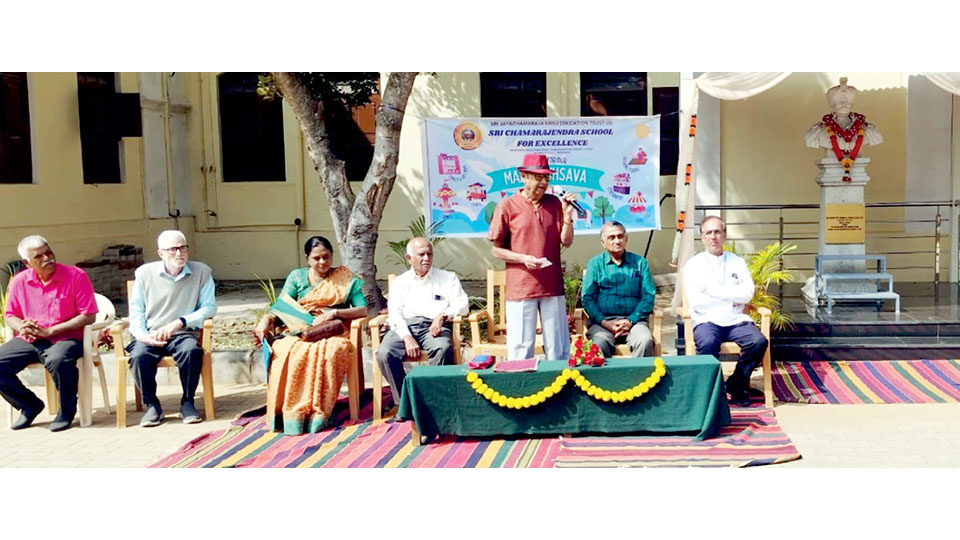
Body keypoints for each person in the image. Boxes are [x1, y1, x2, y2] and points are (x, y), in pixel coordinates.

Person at [253, 236, 368, 435]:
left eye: (326, 257)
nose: (322, 262)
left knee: (331, 350)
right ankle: (291, 414)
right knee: (286, 349)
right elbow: (281, 307)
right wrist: (266, 319)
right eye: (316, 258)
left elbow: (363, 310)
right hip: (299, 329)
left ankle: (319, 414)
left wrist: (334, 313)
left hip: (333, 331)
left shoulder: (345, 278)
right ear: (307, 259)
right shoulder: (296, 277)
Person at [0, 235, 97, 431]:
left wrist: (51, 330)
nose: (47, 259)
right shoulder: (20, 281)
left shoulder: (75, 275)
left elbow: (89, 315)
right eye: (39, 257)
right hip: (31, 339)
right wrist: (22, 326)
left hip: (65, 337)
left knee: (58, 359)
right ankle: (29, 405)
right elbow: (10, 314)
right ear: (27, 263)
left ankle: (67, 410)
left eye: (49, 252)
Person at [489, 153, 579, 361]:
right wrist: (523, 259)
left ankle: (561, 388)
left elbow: (566, 241)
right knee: (521, 348)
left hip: (552, 285)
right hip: (521, 287)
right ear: (524, 177)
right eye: (538, 177)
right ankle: (521, 389)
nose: (544, 183)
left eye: (547, 178)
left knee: (558, 348)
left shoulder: (555, 203)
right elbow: (496, 250)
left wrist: (567, 216)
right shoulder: (507, 206)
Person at [128, 230, 216, 427]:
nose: (179, 253)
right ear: (161, 253)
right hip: (152, 332)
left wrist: (180, 321)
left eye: (183, 247)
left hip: (183, 332)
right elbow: (136, 310)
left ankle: (187, 402)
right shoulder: (144, 274)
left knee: (191, 351)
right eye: (173, 249)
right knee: (139, 356)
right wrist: (143, 336)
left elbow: (209, 307)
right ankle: (152, 405)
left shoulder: (201, 271)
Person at [682, 216, 768, 407]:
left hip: (736, 319)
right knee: (708, 343)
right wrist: (732, 298)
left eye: (717, 232)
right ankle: (714, 389)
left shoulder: (737, 262)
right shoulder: (693, 265)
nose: (713, 237)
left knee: (759, 342)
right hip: (706, 320)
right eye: (708, 233)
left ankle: (736, 384)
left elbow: (747, 294)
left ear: (724, 235)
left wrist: (712, 291)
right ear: (702, 237)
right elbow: (698, 302)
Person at [375, 237, 469, 407]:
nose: (426, 258)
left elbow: (462, 305)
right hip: (405, 326)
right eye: (421, 254)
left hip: (434, 326)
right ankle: (405, 402)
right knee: (384, 354)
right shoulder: (400, 282)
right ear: (409, 258)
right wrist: (406, 336)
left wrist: (443, 316)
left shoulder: (448, 278)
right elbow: (394, 313)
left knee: (442, 348)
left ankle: (435, 400)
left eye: (429, 254)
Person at [581, 221, 656, 358]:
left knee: (644, 341)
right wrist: (605, 322)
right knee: (598, 345)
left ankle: (641, 378)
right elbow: (587, 298)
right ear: (603, 242)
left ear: (626, 239)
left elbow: (648, 296)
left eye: (620, 236)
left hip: (634, 322)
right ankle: (604, 380)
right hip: (603, 323)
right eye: (611, 237)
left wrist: (630, 320)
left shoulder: (640, 263)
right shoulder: (595, 264)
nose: (617, 241)